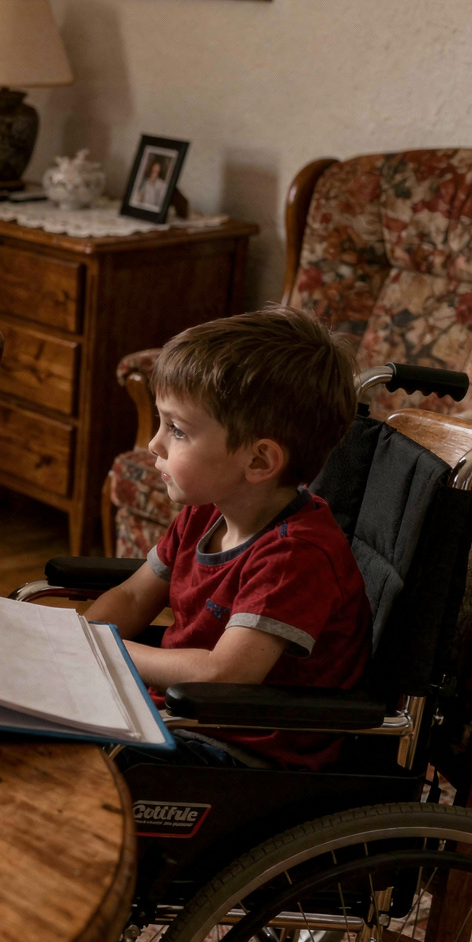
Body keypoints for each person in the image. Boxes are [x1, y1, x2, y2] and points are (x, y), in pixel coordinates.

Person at [86, 307, 370, 770]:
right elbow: (134, 596)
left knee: (69, 763)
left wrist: (104, 651)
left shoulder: (294, 555)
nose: (155, 445)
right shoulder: (203, 513)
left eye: (177, 429)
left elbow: (226, 674)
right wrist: (75, 641)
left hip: (242, 748)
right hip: (182, 715)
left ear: (259, 462)